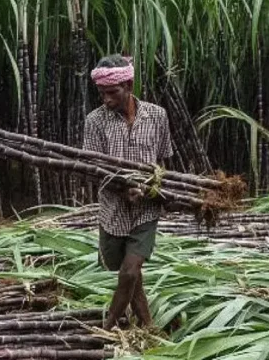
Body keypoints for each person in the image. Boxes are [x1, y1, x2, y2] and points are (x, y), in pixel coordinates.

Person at [82, 54, 173, 330]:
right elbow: (94, 168)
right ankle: (147, 325)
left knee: (130, 270)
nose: (107, 99)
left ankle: (108, 325)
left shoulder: (157, 116)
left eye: (113, 92)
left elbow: (163, 161)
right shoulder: (95, 121)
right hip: (113, 211)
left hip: (146, 209)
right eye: (102, 93)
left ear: (130, 85)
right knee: (126, 273)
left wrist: (152, 190)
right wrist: (124, 190)